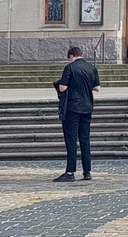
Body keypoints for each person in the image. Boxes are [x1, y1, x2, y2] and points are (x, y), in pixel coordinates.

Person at [54, 45, 101, 182]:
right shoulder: (91, 68)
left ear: (71, 56)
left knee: (71, 140)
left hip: (72, 108)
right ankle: (87, 171)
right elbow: (97, 88)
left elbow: (63, 88)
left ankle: (70, 172)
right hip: (87, 107)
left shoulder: (70, 68)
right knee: (85, 139)